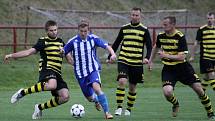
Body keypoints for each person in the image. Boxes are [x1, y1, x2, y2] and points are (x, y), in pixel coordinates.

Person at [148, 16, 215, 119]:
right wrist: (150, 61)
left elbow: (182, 57)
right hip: (169, 69)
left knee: (199, 90)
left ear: (173, 25)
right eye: (163, 24)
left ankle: (210, 112)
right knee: (167, 92)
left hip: (183, 68)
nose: (163, 26)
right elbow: (156, 47)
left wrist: (166, 55)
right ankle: (176, 104)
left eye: (165, 25)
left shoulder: (180, 37)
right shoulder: (161, 36)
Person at [4, 20, 69, 119]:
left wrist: (72, 59)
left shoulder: (60, 42)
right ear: (47, 31)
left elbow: (69, 58)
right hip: (46, 68)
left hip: (57, 72)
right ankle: (22, 92)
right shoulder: (43, 41)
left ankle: (39, 107)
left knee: (65, 97)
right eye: (51, 30)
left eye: (55, 30)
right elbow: (28, 52)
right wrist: (11, 55)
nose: (54, 32)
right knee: (52, 85)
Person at [64, 21, 116, 119]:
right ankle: (96, 101)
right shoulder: (73, 41)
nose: (83, 33)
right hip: (80, 74)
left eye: (85, 31)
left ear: (88, 30)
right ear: (78, 30)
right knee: (90, 98)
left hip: (93, 69)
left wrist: (112, 54)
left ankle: (107, 113)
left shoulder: (93, 38)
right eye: (81, 31)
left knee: (97, 88)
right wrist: (64, 54)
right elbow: (64, 51)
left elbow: (107, 46)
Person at [108, 7, 152, 116]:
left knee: (132, 87)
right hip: (124, 59)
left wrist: (147, 57)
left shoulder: (144, 30)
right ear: (130, 15)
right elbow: (117, 43)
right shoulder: (124, 28)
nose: (134, 17)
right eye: (133, 15)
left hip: (137, 63)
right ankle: (119, 108)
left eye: (137, 15)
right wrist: (110, 55)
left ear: (140, 16)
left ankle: (128, 109)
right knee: (122, 81)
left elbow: (150, 46)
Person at [189, 12, 215, 91]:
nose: (209, 20)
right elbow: (196, 42)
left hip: (214, 57)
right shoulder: (202, 29)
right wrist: (192, 56)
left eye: (211, 18)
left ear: (214, 19)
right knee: (212, 75)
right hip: (205, 57)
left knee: (207, 77)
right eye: (208, 18)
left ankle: (201, 93)